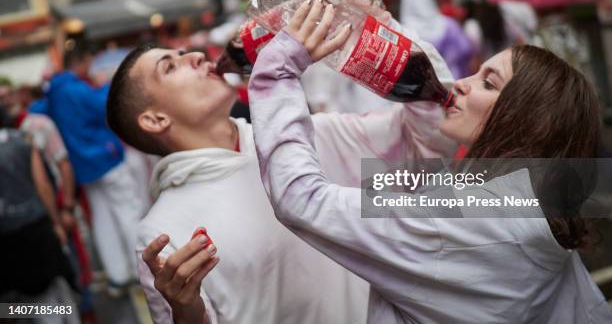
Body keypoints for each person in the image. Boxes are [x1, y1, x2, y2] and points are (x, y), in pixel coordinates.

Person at [247, 0, 612, 323]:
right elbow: (427, 148)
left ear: (529, 119)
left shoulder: (469, 212)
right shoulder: (525, 199)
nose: (461, 83)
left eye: (489, 83)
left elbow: (303, 200)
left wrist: (277, 72)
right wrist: (391, 37)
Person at [105, 45, 371, 323]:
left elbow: (410, 172)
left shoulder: (300, 135)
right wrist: (189, 315)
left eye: (185, 53)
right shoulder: (161, 234)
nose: (197, 56)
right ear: (155, 119)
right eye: (169, 67)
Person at [30, 46, 146, 292]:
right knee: (128, 212)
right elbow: (106, 105)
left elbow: (35, 111)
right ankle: (142, 271)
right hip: (106, 158)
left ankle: (118, 274)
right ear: (80, 61)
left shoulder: (53, 92)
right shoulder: (76, 88)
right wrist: (105, 85)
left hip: (83, 167)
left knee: (102, 220)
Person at [0, 107, 78, 321]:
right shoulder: (23, 141)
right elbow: (43, 185)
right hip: (36, 228)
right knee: (52, 293)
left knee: (19, 300)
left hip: (7, 236)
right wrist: (56, 222)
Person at [400, 0, 475, 78]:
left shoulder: (404, 32)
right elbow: (465, 48)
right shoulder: (449, 24)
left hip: (428, 86)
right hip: (456, 78)